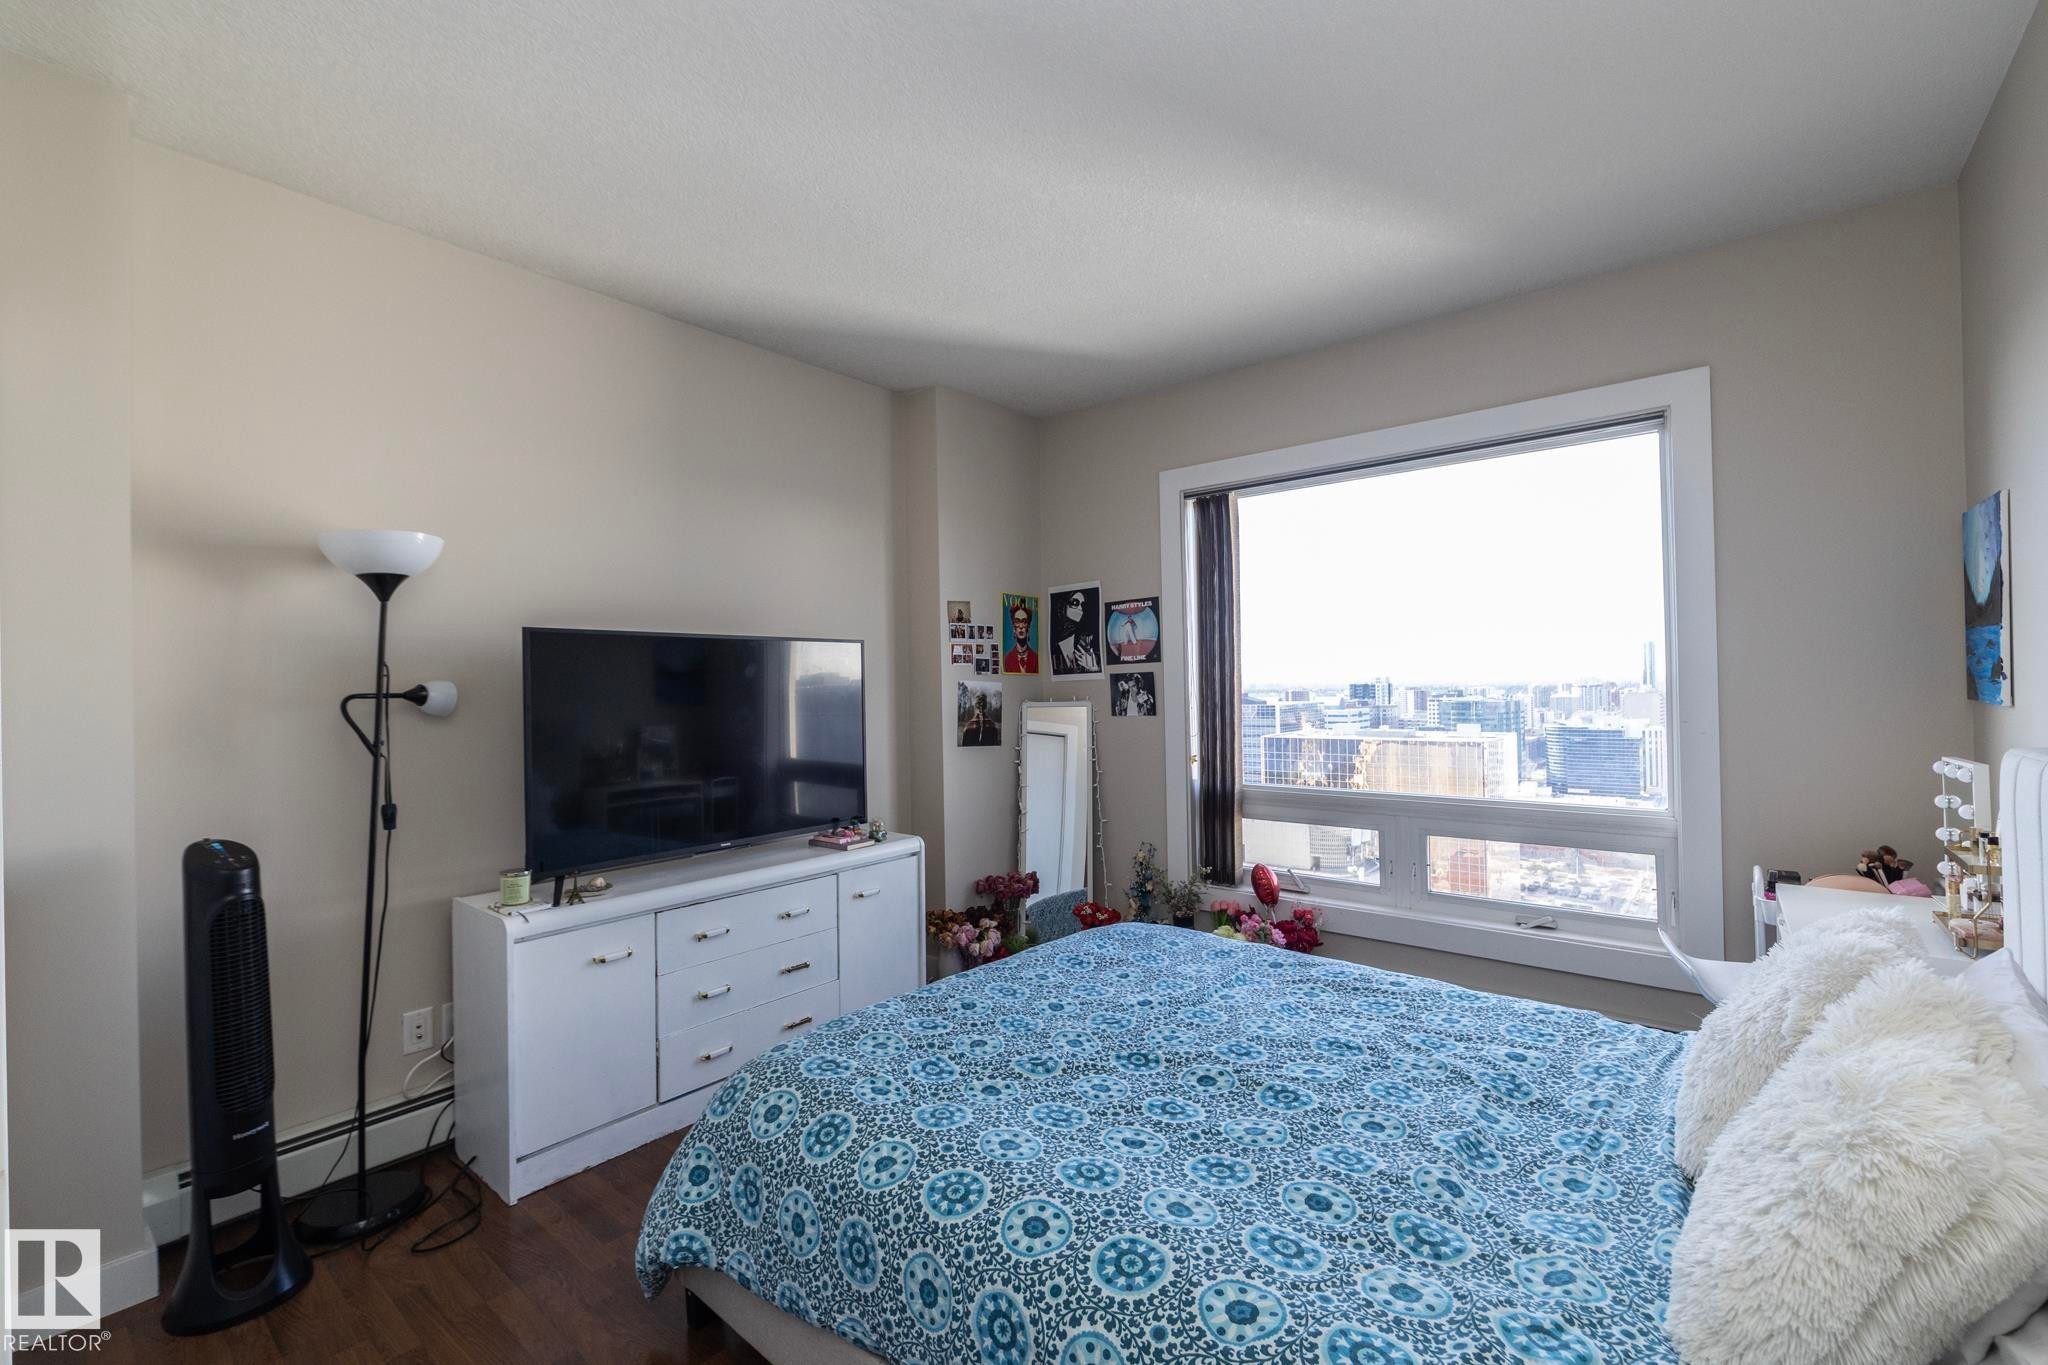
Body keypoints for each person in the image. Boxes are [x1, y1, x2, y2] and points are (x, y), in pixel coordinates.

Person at [1054, 590, 1100, 674]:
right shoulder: (1053, 641)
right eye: (1075, 603)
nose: (1080, 608)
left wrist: (1094, 668)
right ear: (1063, 604)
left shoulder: (1088, 639)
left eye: (1083, 604)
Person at [1004, 602, 1039, 674]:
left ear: (1028, 627)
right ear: (1014, 628)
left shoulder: (1036, 658)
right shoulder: (1008, 659)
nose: (1020, 626)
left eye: (1024, 622)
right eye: (1017, 622)